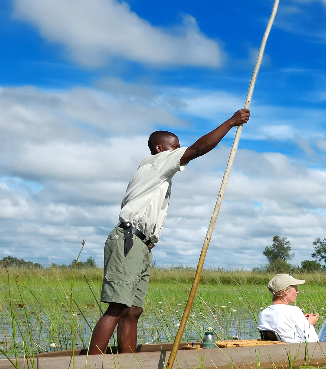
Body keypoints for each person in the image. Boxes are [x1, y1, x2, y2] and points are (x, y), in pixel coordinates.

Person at [88, 109, 251, 355]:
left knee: (133, 310)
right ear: (159, 149)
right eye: (174, 147)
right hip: (128, 240)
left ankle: (127, 363)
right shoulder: (155, 163)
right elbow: (197, 149)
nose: (178, 151)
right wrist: (231, 122)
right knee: (118, 305)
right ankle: (91, 365)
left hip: (141, 244)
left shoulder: (159, 173)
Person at [257, 274, 326, 343]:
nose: (297, 291)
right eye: (295, 288)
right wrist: (309, 324)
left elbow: (282, 332)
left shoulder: (263, 313)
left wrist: (303, 322)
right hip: (305, 351)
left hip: (283, 349)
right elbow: (313, 341)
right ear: (285, 291)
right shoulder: (293, 311)